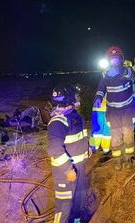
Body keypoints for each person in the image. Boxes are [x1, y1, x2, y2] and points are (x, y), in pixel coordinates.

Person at [48, 84, 90, 223]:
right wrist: (68, 170)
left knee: (79, 200)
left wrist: (86, 148)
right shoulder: (58, 122)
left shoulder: (74, 116)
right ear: (69, 99)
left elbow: (79, 136)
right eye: (76, 96)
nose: (78, 99)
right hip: (66, 174)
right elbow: (55, 150)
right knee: (64, 207)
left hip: (80, 168)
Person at [94, 46, 135, 171]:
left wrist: (119, 73)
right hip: (112, 111)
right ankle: (117, 160)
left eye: (117, 59)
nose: (114, 61)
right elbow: (101, 88)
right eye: (112, 59)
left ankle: (128, 158)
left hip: (127, 109)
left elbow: (131, 76)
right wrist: (98, 98)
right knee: (115, 136)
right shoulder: (105, 74)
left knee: (128, 134)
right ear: (109, 60)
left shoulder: (127, 70)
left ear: (121, 59)